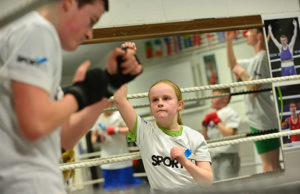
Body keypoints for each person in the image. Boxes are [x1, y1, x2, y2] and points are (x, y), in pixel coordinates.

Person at [0, 0, 143, 193]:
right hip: (23, 181)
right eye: (91, 21)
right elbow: (35, 124)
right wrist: (80, 93)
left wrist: (109, 85)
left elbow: (64, 138)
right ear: (68, 3)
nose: (89, 34)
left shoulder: (34, 35)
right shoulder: (37, 30)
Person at [113, 78, 213, 193]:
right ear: (151, 107)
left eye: (166, 98)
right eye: (155, 100)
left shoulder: (195, 137)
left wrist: (186, 162)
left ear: (180, 104)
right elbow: (120, 100)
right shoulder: (144, 131)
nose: (160, 103)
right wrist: (125, 70)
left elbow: (207, 181)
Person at [225, 29, 281, 172]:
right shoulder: (256, 59)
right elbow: (233, 65)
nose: (246, 34)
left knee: (269, 166)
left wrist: (243, 74)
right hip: (263, 119)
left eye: (250, 31)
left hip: (262, 120)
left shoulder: (261, 58)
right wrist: (229, 41)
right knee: (272, 164)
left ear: (259, 36)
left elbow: (254, 90)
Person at [90, 111, 144, 191]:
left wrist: (117, 130)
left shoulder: (119, 114)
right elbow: (93, 139)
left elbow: (132, 130)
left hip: (123, 160)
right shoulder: (97, 118)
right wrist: (99, 139)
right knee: (111, 190)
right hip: (107, 162)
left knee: (127, 189)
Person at [201, 88, 241, 181]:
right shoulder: (212, 114)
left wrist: (217, 121)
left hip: (227, 156)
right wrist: (204, 125)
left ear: (225, 99)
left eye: (215, 97)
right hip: (213, 156)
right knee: (217, 188)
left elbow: (230, 134)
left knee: (229, 187)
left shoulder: (230, 112)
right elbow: (205, 139)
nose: (211, 99)